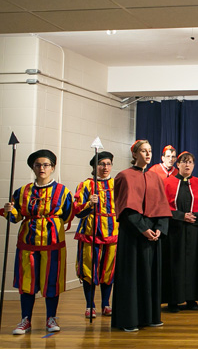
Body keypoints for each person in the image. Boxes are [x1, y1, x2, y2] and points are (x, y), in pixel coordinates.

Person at [2, 150, 74, 335]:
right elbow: (15, 218)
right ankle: (25, 319)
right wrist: (10, 211)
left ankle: (51, 317)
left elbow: (66, 216)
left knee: (52, 281)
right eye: (38, 165)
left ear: (52, 167)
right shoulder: (22, 191)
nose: (42, 168)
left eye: (46, 165)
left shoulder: (63, 191)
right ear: (32, 167)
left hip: (53, 243)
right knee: (28, 282)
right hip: (28, 243)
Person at [112, 140, 172, 332]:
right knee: (133, 277)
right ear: (135, 154)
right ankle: (130, 319)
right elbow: (126, 208)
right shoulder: (124, 176)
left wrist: (159, 229)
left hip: (153, 235)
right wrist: (143, 228)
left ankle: (151, 317)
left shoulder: (155, 178)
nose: (148, 154)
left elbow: (162, 207)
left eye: (150, 150)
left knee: (151, 277)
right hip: (133, 235)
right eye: (144, 151)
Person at [162, 151, 198, 312]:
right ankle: (173, 300)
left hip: (195, 232)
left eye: (190, 162)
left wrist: (194, 217)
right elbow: (163, 208)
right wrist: (181, 216)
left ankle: (192, 299)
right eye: (184, 162)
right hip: (175, 231)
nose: (187, 165)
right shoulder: (167, 183)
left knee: (194, 264)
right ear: (177, 165)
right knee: (174, 264)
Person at [73, 151, 118, 319]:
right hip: (90, 232)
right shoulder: (86, 185)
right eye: (101, 164)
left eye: (108, 164)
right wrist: (88, 203)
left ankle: (106, 304)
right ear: (94, 166)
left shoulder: (117, 183)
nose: (105, 167)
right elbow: (77, 210)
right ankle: (89, 305)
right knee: (89, 270)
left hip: (112, 233)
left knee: (108, 270)